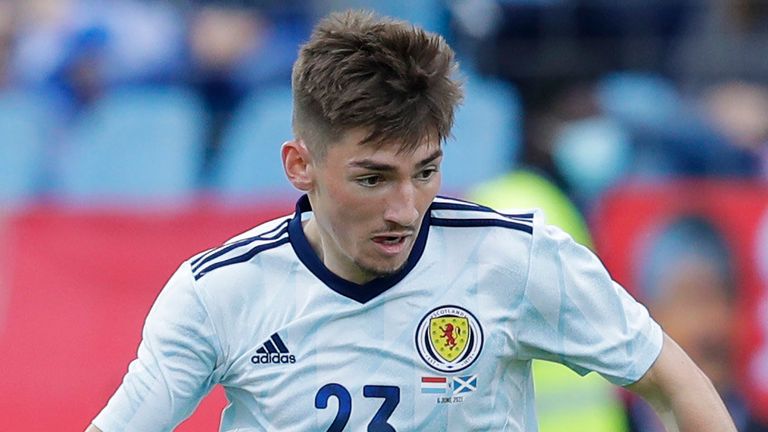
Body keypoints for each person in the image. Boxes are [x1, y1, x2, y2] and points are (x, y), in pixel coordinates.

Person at [87, 10, 735, 431]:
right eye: (372, 178)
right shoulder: (218, 294)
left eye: (424, 172)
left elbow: (677, 384)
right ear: (299, 166)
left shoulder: (518, 258)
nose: (404, 208)